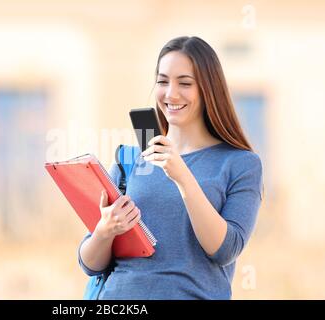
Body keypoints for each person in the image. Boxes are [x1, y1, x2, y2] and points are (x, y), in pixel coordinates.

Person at [78, 36, 263, 299]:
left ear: (209, 89)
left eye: (185, 83)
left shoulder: (240, 164)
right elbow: (89, 263)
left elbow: (224, 250)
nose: (171, 93)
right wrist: (104, 231)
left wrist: (183, 177)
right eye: (163, 81)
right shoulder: (131, 159)